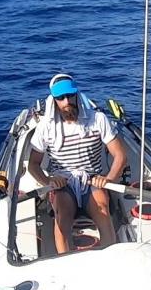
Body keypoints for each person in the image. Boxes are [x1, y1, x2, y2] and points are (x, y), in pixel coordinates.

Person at [28, 74, 127, 254]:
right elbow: (33, 165)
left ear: (76, 95)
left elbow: (120, 155)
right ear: (54, 100)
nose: (66, 102)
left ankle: (110, 259)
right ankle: (66, 263)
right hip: (62, 183)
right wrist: (49, 181)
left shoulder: (98, 120)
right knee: (62, 214)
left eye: (70, 95)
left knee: (103, 209)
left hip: (93, 180)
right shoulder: (45, 128)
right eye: (60, 98)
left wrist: (109, 179)